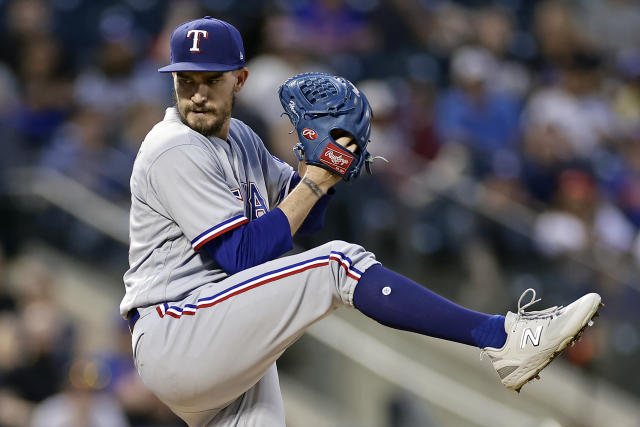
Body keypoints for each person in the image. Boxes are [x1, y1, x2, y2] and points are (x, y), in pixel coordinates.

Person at [121, 16, 602, 427]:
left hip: (216, 330)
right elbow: (241, 255)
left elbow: (303, 216)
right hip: (177, 329)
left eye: (212, 80)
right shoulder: (173, 146)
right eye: (187, 80)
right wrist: (316, 180)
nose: (198, 94)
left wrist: (329, 169)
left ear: (239, 81)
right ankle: (503, 338)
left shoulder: (240, 138)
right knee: (338, 266)